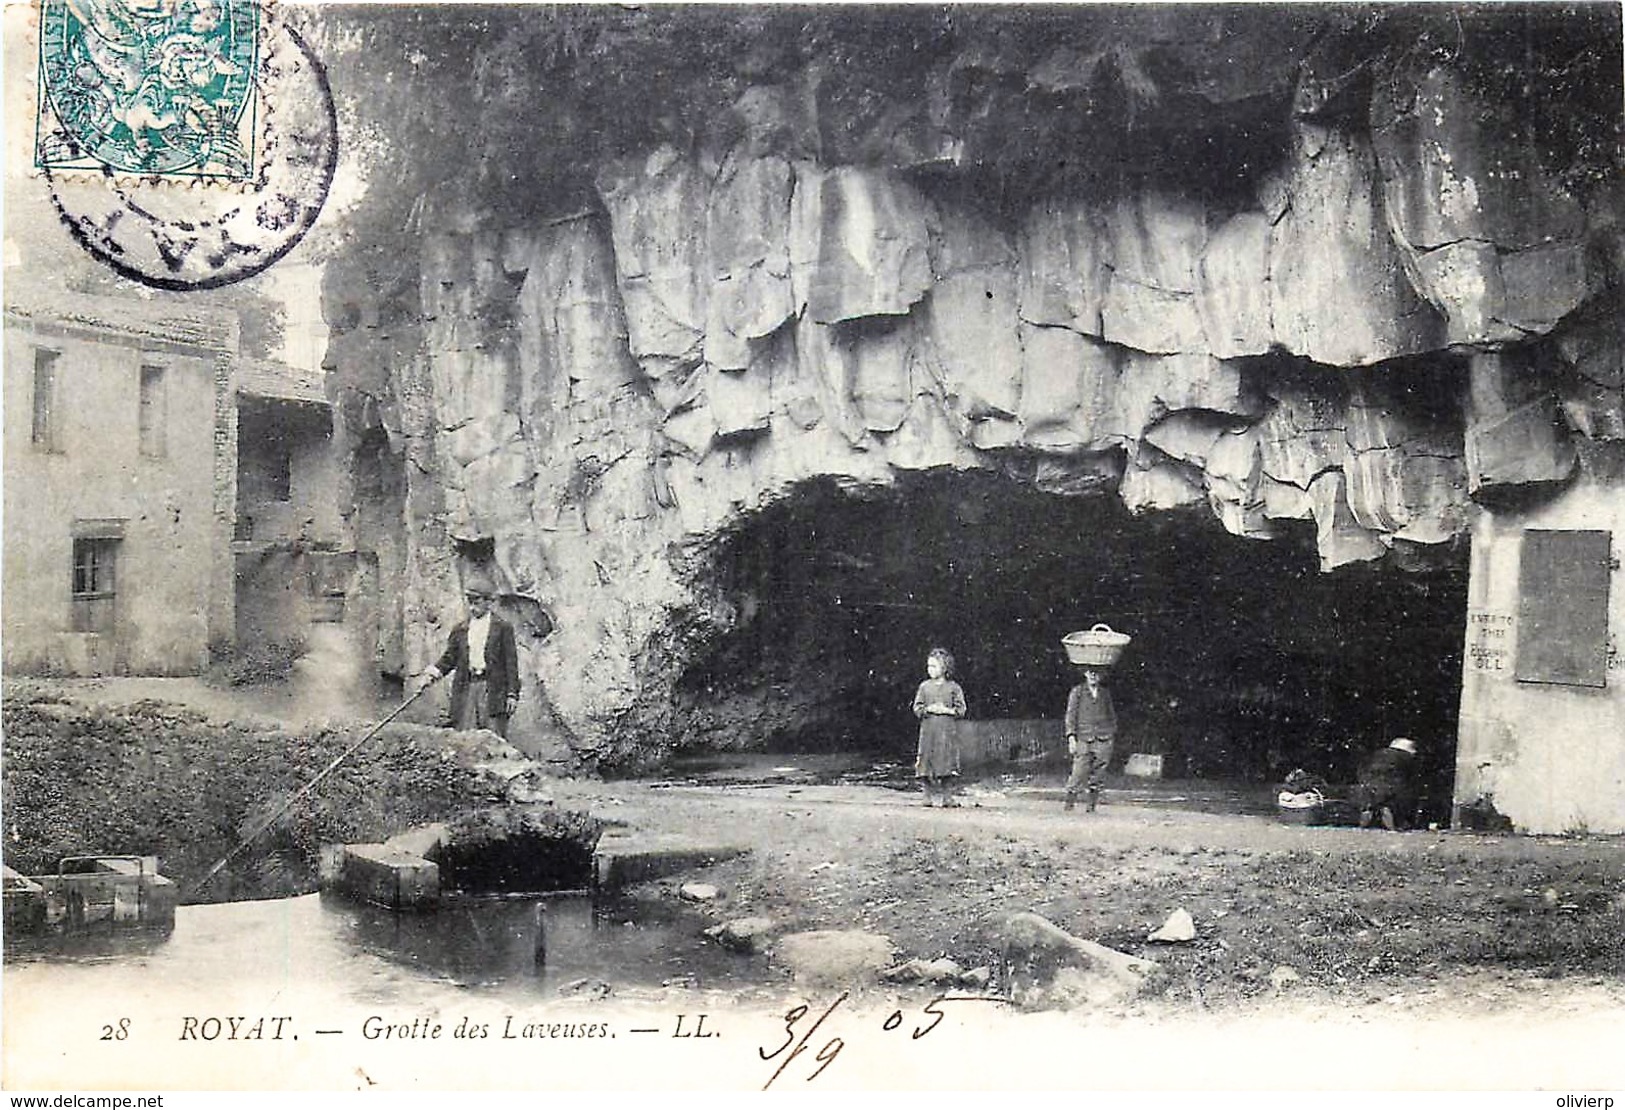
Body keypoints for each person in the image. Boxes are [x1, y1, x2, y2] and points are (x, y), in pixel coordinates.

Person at [416, 577, 521, 738]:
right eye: (470, 602)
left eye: (477, 602)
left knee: (494, 736)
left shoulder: (502, 627)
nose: (472, 607)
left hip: (493, 689)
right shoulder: (461, 629)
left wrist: (512, 694)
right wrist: (431, 675)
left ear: (489, 602)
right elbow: (449, 658)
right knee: (465, 737)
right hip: (467, 688)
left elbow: (511, 663)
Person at [912, 647, 967, 808]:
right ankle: (926, 796)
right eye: (928, 666)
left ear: (945, 668)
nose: (930, 670)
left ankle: (947, 797)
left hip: (946, 733)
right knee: (926, 761)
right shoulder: (924, 687)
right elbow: (917, 708)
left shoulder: (954, 688)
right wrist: (927, 709)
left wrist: (946, 710)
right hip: (928, 732)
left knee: (946, 763)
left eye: (934, 666)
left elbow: (962, 709)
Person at [1064, 666, 1116, 812]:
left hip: (1103, 738)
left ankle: (1091, 806)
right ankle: (1069, 804)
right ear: (1085, 674)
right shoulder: (1077, 692)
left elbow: (1111, 715)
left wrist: (1110, 734)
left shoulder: (1105, 694)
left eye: (1097, 673)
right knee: (1079, 771)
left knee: (1099, 773)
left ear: (1101, 675)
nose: (1094, 675)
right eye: (1090, 672)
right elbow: (1070, 715)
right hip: (1084, 737)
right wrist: (1071, 737)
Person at [1353, 737, 1420, 830]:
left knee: (1370, 805)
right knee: (1388, 805)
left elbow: (1362, 768)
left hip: (1370, 780)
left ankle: (1363, 825)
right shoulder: (1406, 756)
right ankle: (1393, 826)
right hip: (1393, 781)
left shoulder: (1377, 754)